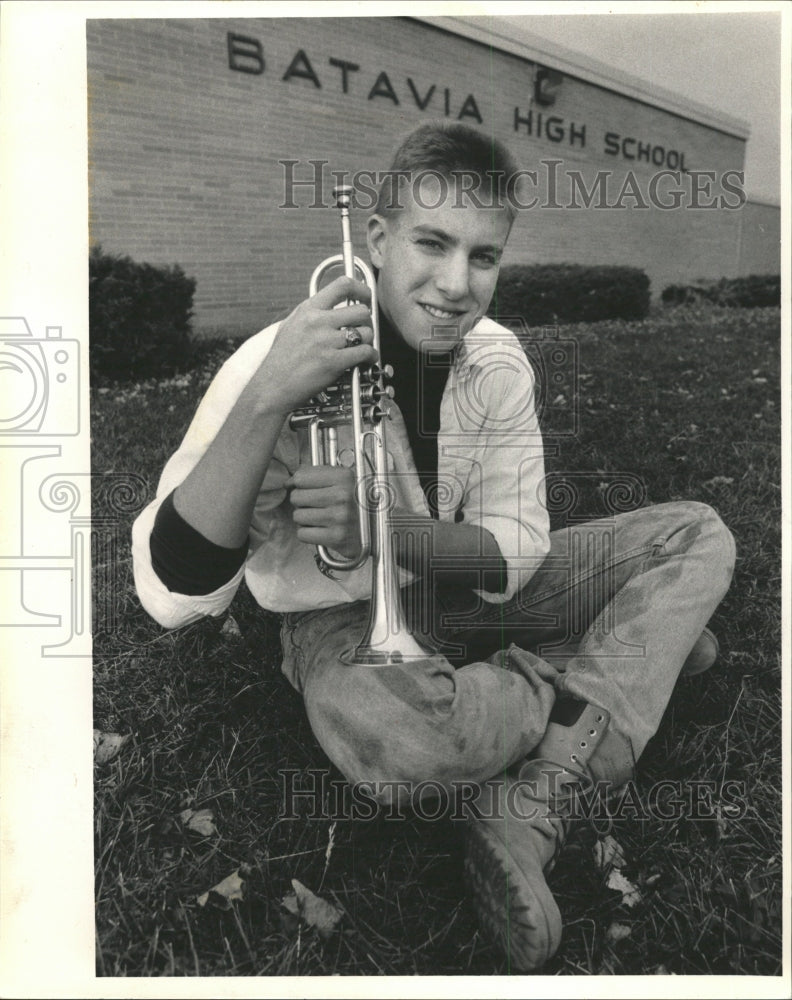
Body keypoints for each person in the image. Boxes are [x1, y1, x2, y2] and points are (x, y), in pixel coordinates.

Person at [132, 122, 735, 971]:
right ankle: (619, 662)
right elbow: (172, 594)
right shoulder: (266, 363)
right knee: (409, 745)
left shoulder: (497, 360)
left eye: (483, 256)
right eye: (431, 243)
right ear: (376, 240)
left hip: (458, 586)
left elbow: (518, 550)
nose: (456, 285)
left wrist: (389, 534)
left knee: (694, 533)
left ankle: (533, 793)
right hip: (338, 625)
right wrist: (269, 399)